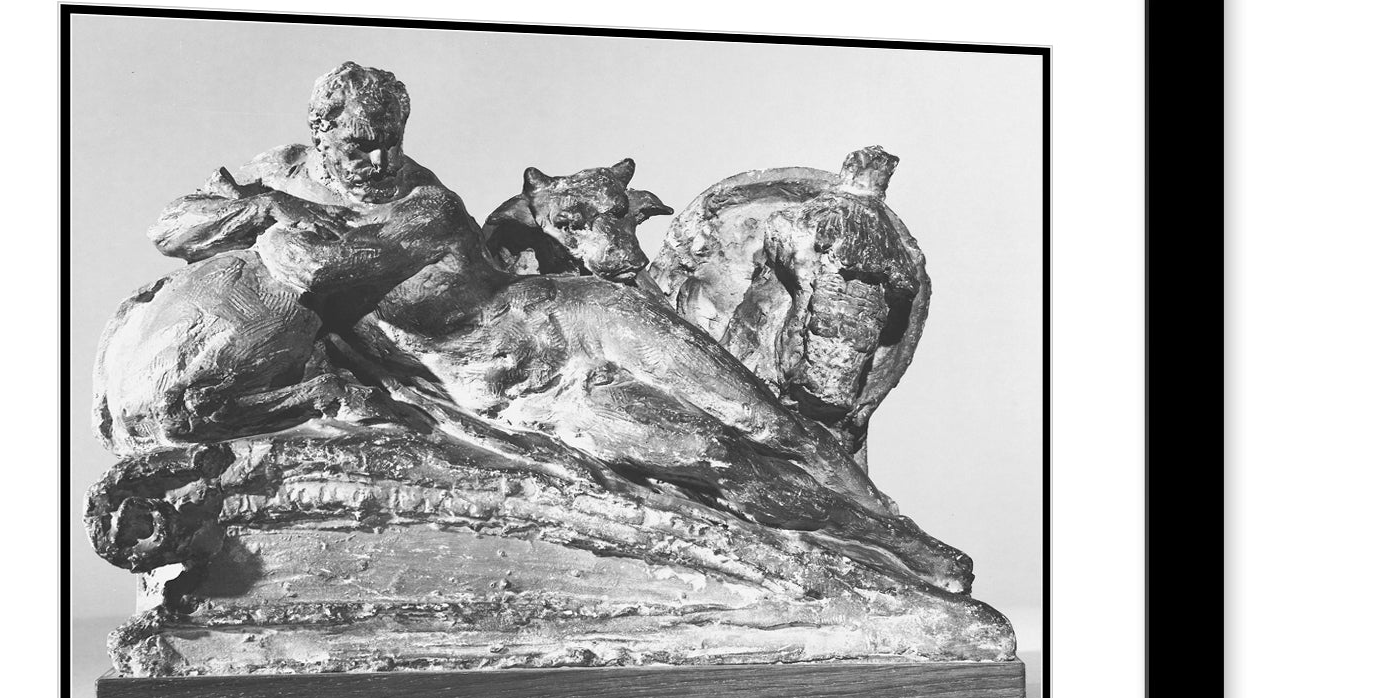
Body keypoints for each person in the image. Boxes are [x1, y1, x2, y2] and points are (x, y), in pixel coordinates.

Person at [136, 62, 970, 591]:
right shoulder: (282, 176)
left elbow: (328, 265)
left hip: (573, 315)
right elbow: (172, 225)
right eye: (360, 146)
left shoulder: (424, 205)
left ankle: (906, 538)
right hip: (531, 396)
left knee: (764, 419)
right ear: (319, 134)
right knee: (715, 458)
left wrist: (269, 215)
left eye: (391, 141)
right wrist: (263, 204)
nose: (380, 161)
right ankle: (874, 544)